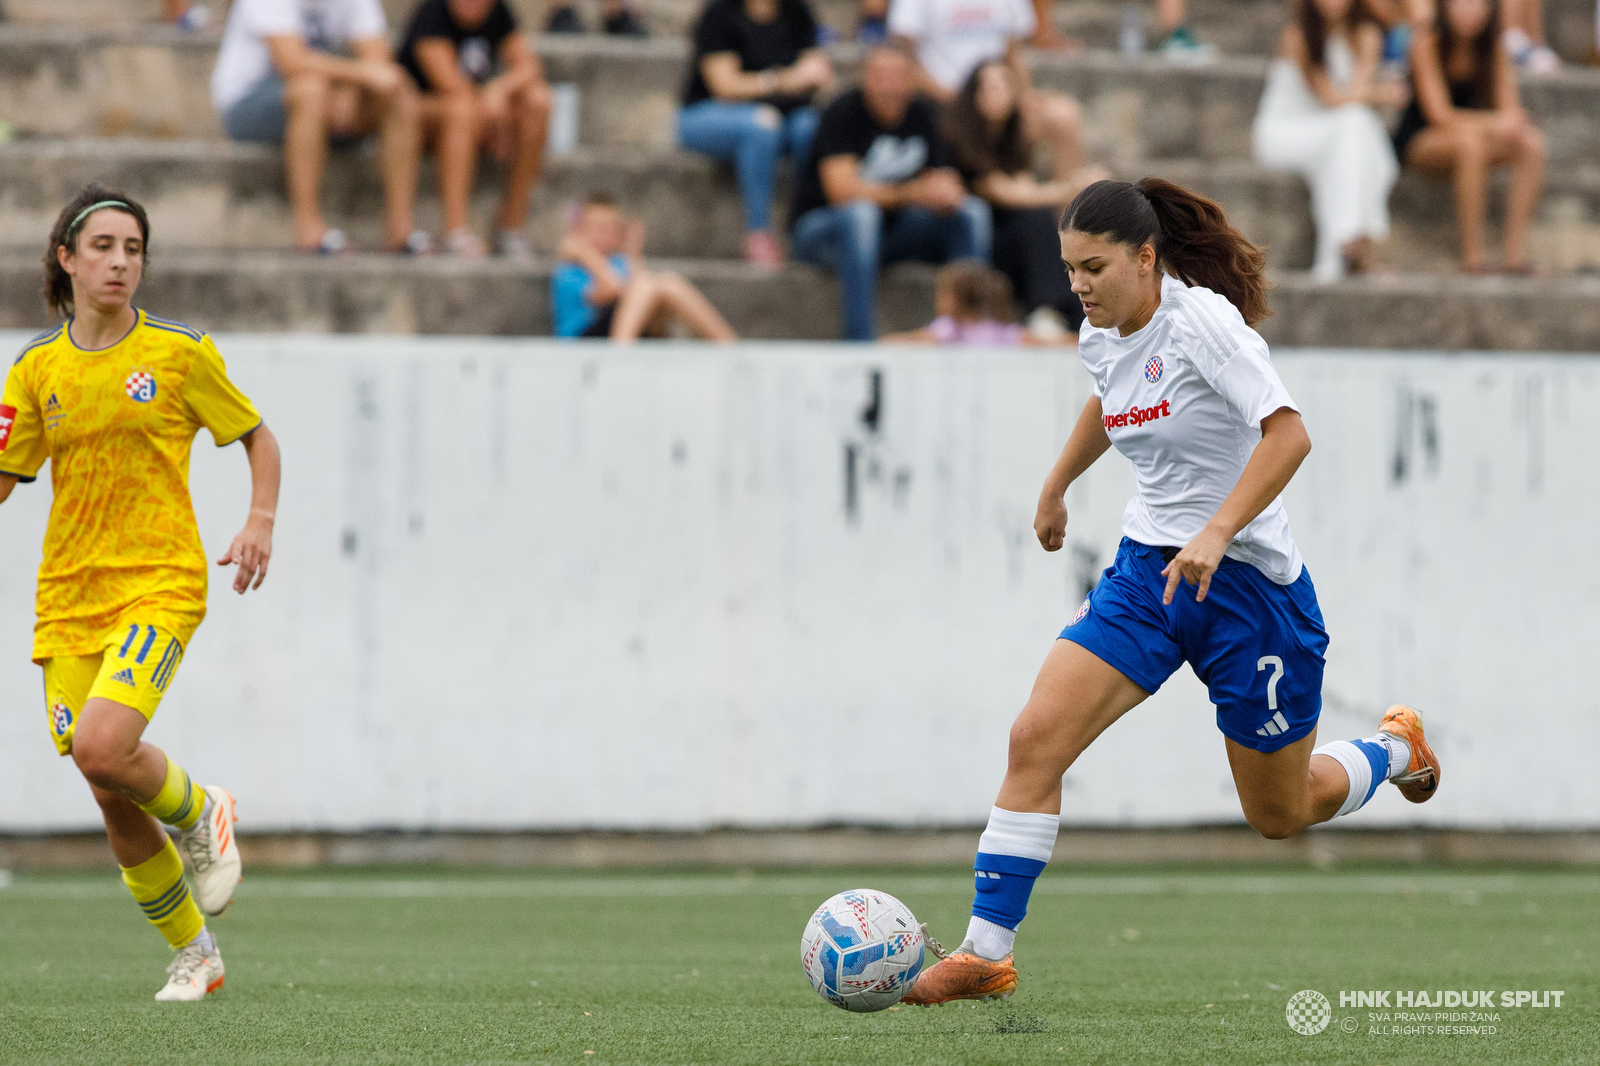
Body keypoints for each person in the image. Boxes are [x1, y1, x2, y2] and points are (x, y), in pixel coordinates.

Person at [902, 178, 1441, 1006]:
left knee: (1280, 812)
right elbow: (1109, 399)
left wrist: (1219, 531)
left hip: (1252, 595)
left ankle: (1395, 750)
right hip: (1149, 575)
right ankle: (986, 952)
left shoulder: (1204, 326)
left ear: (1146, 258)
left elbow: (1288, 434)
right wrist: (1057, 484)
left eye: (1095, 266)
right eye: (1069, 268)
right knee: (1035, 737)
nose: (1078, 285)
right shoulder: (1101, 329)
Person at [1, 186, 281, 1001]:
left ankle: (203, 810)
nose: (121, 261)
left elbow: (258, 438)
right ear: (67, 258)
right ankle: (197, 955)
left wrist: (259, 518)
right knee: (107, 784)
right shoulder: (36, 367)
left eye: (133, 248)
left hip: (158, 582)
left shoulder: (180, 353)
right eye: (104, 247)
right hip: (68, 600)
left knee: (102, 746)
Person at [789, 45, 991, 342]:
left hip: (892, 234)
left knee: (972, 212)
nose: (889, 86)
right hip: (823, 232)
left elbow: (945, 182)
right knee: (862, 214)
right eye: (880, 77)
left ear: (913, 81)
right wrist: (910, 193)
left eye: (897, 77)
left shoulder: (927, 114)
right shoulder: (841, 111)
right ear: (865, 79)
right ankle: (860, 342)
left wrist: (943, 193)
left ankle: (969, 333)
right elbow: (842, 192)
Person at [212, 0, 427, 255]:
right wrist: (355, 77)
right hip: (248, 104)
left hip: (323, 96)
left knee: (398, 90)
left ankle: (400, 229)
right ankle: (308, 228)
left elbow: (380, 64)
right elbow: (291, 61)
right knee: (310, 90)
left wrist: (349, 89)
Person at [1253, 0, 1403, 282]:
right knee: (1353, 125)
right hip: (1286, 131)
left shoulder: (1366, 35)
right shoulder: (1297, 35)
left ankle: (1337, 252)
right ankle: (1356, 246)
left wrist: (1368, 93)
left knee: (1355, 124)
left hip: (1335, 132)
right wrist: (1378, 93)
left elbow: (1353, 97)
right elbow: (1331, 98)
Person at [943, 60, 1094, 337]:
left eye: (1002, 86)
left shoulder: (1011, 136)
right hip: (971, 238)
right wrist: (1073, 188)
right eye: (987, 88)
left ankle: (1068, 314)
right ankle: (1048, 310)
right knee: (1036, 219)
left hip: (1009, 238)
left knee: (1046, 227)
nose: (995, 94)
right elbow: (1001, 191)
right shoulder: (961, 138)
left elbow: (1022, 185)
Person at [1393, 0, 1545, 273]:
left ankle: (1514, 255)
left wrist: (1510, 123)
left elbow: (1509, 107)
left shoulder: (1494, 47)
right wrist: (1496, 123)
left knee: (1531, 144)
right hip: (1424, 139)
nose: (1468, 10)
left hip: (1475, 135)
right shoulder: (1426, 42)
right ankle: (1473, 256)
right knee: (1470, 145)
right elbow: (1439, 116)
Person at [678, 0, 833, 265]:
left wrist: (809, 77)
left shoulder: (798, 12)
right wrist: (781, 80)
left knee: (809, 126)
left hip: (784, 116)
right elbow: (724, 86)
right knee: (762, 125)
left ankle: (807, 226)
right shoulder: (720, 13)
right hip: (707, 116)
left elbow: (816, 72)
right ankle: (759, 234)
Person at [398, 0, 552, 259]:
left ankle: (511, 225)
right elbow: (449, 85)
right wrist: (495, 114)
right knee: (460, 110)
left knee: (538, 101)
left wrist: (499, 90)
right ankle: (455, 229)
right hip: (423, 117)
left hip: (475, 109)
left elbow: (530, 67)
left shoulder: (499, 12)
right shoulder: (431, 14)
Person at [886, 0, 1092, 182]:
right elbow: (907, 61)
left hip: (998, 93)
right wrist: (965, 99)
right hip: (946, 98)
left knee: (1064, 116)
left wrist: (1024, 95)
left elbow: (1013, 54)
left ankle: (1068, 219)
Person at [552, 193, 739, 342]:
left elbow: (640, 296)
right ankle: (618, 360)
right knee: (645, 284)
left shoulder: (619, 262)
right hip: (582, 342)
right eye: (599, 227)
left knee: (669, 283)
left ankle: (732, 347)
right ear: (580, 230)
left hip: (619, 331)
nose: (606, 234)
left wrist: (633, 255)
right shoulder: (570, 271)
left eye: (612, 228)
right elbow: (611, 289)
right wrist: (584, 252)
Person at [881, 259, 1032, 344]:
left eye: (942, 293)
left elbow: (914, 340)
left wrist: (886, 341)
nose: (937, 300)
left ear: (955, 299)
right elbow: (1032, 340)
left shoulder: (950, 329)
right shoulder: (998, 331)